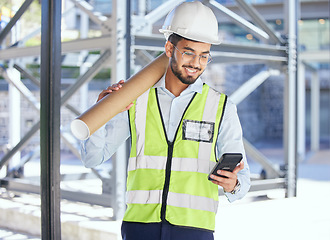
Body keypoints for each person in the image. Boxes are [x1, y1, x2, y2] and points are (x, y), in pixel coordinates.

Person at [81, 1, 250, 240]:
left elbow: (243, 180)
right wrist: (101, 113)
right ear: (169, 48)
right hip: (139, 228)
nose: (196, 64)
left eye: (204, 56)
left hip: (195, 231)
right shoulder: (136, 100)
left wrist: (233, 184)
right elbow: (92, 158)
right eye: (189, 52)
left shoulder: (222, 107)